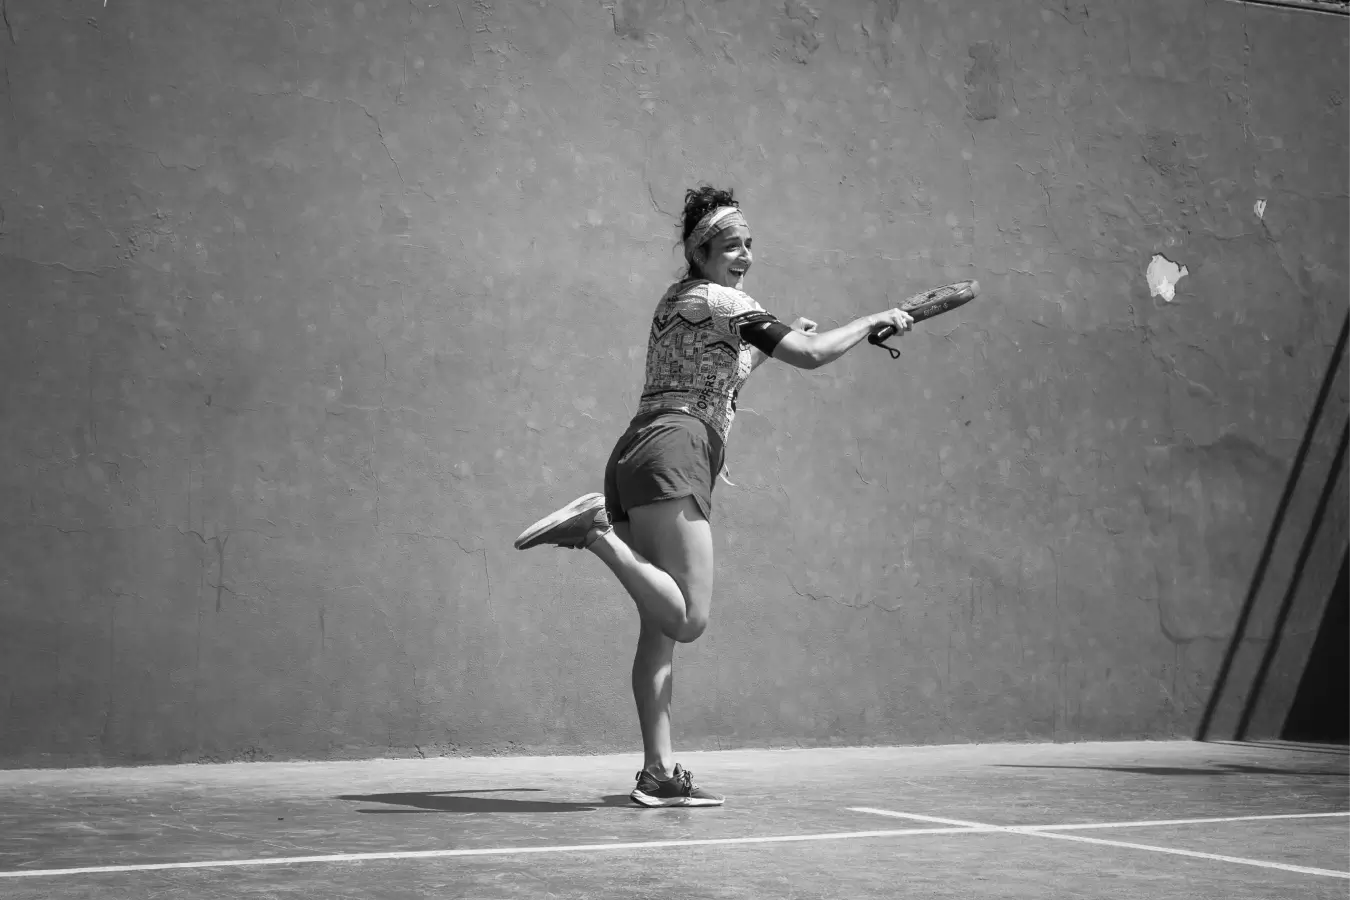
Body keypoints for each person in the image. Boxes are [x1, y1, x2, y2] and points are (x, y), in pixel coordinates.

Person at [514, 185, 914, 807]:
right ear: (702, 252)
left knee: (660, 630)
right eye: (732, 246)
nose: (746, 255)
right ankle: (594, 531)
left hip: (635, 453)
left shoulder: (679, 302)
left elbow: (720, 375)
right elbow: (810, 354)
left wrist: (772, 351)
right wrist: (871, 321)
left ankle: (658, 773)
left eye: (750, 245)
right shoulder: (729, 299)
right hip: (676, 452)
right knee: (690, 619)